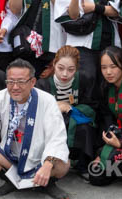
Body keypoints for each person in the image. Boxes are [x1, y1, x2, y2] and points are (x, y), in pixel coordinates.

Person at [0, 58, 70, 199]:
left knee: (63, 163)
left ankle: (47, 183)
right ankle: (11, 181)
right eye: (10, 82)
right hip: (10, 157)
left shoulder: (47, 101)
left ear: (32, 82)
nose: (15, 87)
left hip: (40, 158)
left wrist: (47, 165)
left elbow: (57, 137)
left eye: (21, 82)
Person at [37, 45, 96, 173]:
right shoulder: (43, 84)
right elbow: (37, 110)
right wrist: (55, 107)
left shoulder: (84, 79)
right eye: (60, 68)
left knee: (85, 128)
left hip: (75, 117)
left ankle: (82, 166)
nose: (65, 74)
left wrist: (68, 107)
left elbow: (92, 105)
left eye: (71, 70)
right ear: (54, 64)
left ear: (77, 68)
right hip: (52, 121)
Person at [89, 46, 122, 185]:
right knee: (96, 176)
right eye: (104, 67)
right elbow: (106, 120)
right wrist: (102, 150)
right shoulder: (106, 87)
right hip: (115, 138)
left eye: (113, 66)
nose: (108, 72)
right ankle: (110, 163)